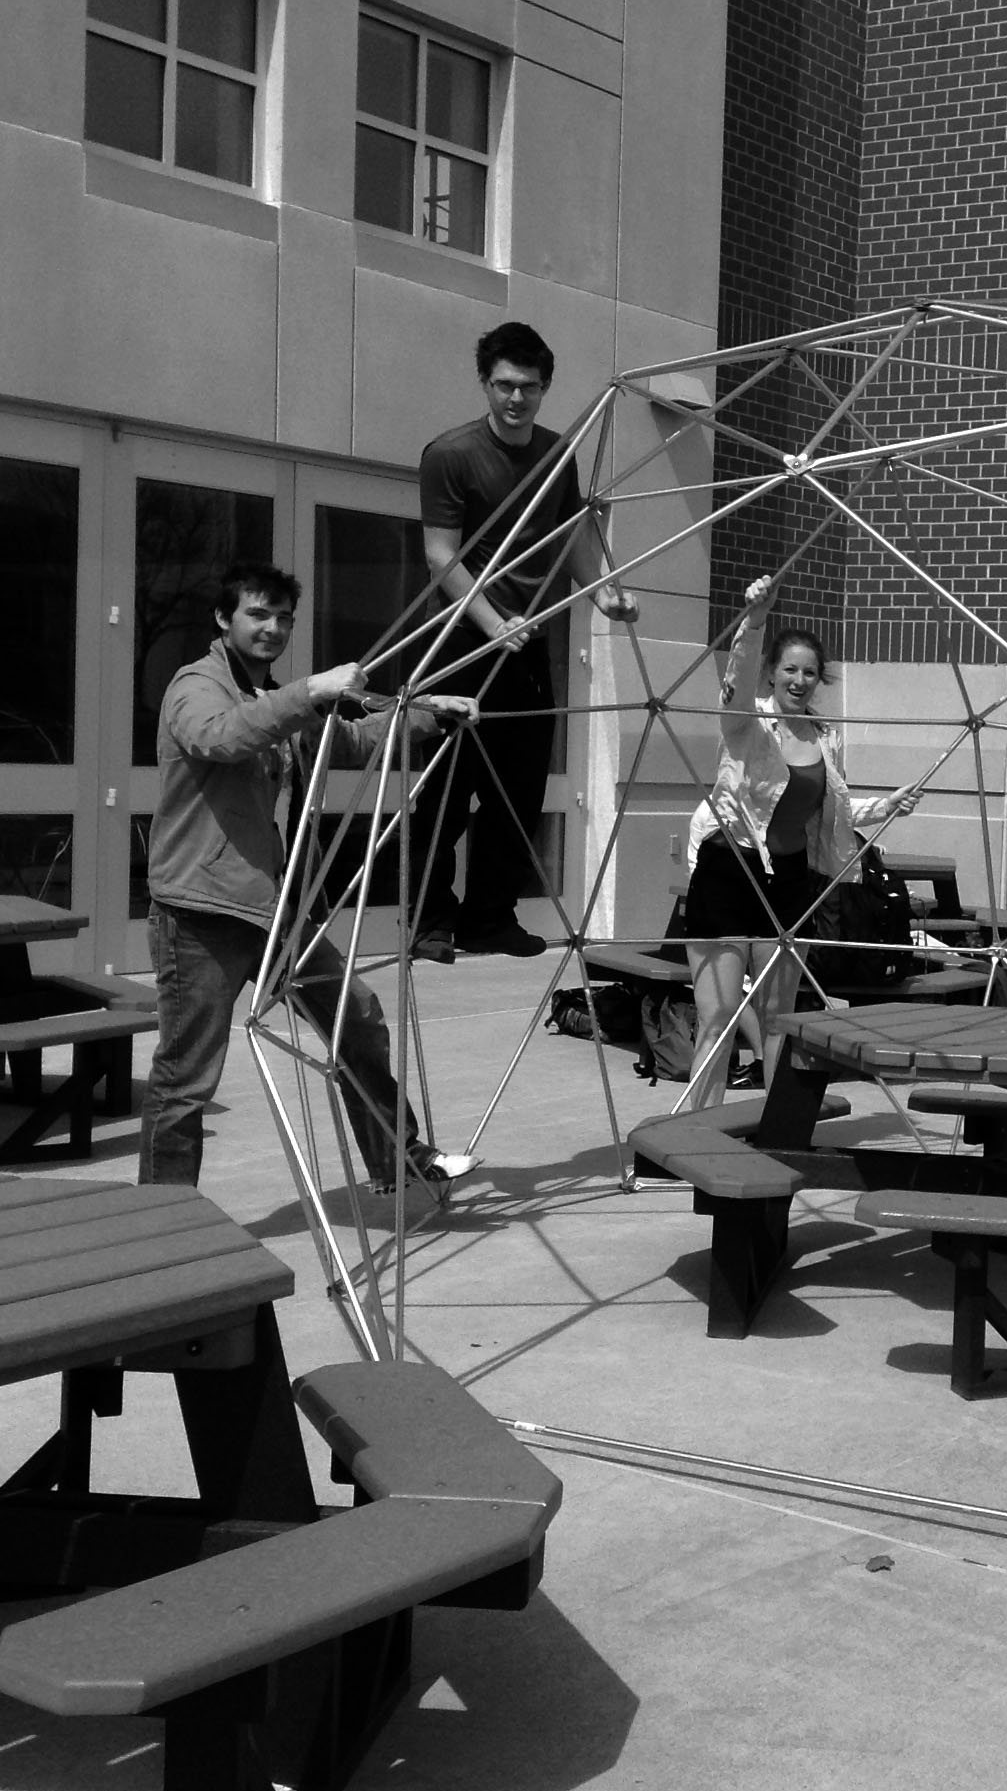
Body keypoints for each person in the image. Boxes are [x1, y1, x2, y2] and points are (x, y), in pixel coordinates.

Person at [137, 562, 478, 1191]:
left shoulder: (277, 700)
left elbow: (349, 741)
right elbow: (219, 739)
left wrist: (428, 712)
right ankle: (165, 1217)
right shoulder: (197, 685)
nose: (272, 628)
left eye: (283, 618)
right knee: (186, 1079)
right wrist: (310, 692)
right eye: (257, 615)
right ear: (223, 619)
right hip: (202, 910)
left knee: (357, 1020)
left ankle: (401, 1162)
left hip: (276, 909)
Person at [411, 322, 637, 961]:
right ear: (485, 383)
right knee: (447, 789)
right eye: (505, 385)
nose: (516, 399)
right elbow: (440, 557)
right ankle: (429, 920)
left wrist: (605, 592)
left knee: (516, 792)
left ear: (545, 389)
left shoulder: (557, 455)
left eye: (529, 388)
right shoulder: (449, 454)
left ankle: (490, 917)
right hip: (462, 642)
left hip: (528, 645)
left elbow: (571, 540)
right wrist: (492, 623)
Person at [681, 575, 917, 1103]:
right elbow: (736, 680)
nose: (800, 679)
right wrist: (756, 620)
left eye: (810, 672)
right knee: (718, 1013)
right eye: (790, 669)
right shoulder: (746, 722)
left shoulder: (824, 735)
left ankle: (774, 1128)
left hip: (788, 882)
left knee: (776, 1016)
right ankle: (696, 1126)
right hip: (730, 872)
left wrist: (885, 805)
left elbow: (828, 809)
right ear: (772, 673)